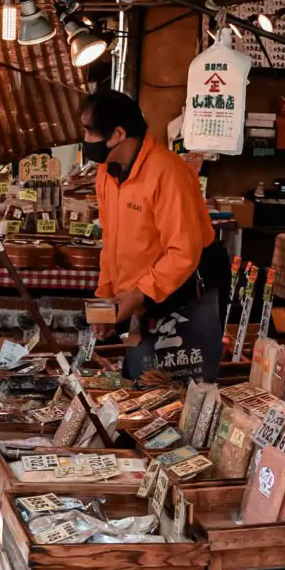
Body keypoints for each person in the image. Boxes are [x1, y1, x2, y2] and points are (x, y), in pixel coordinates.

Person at [81, 89, 230, 383]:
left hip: (185, 290)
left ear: (118, 134)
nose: (85, 140)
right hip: (146, 295)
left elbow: (182, 252)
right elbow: (111, 241)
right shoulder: (106, 173)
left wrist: (137, 295)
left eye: (89, 131)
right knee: (142, 380)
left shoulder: (169, 173)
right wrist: (106, 300)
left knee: (179, 389)